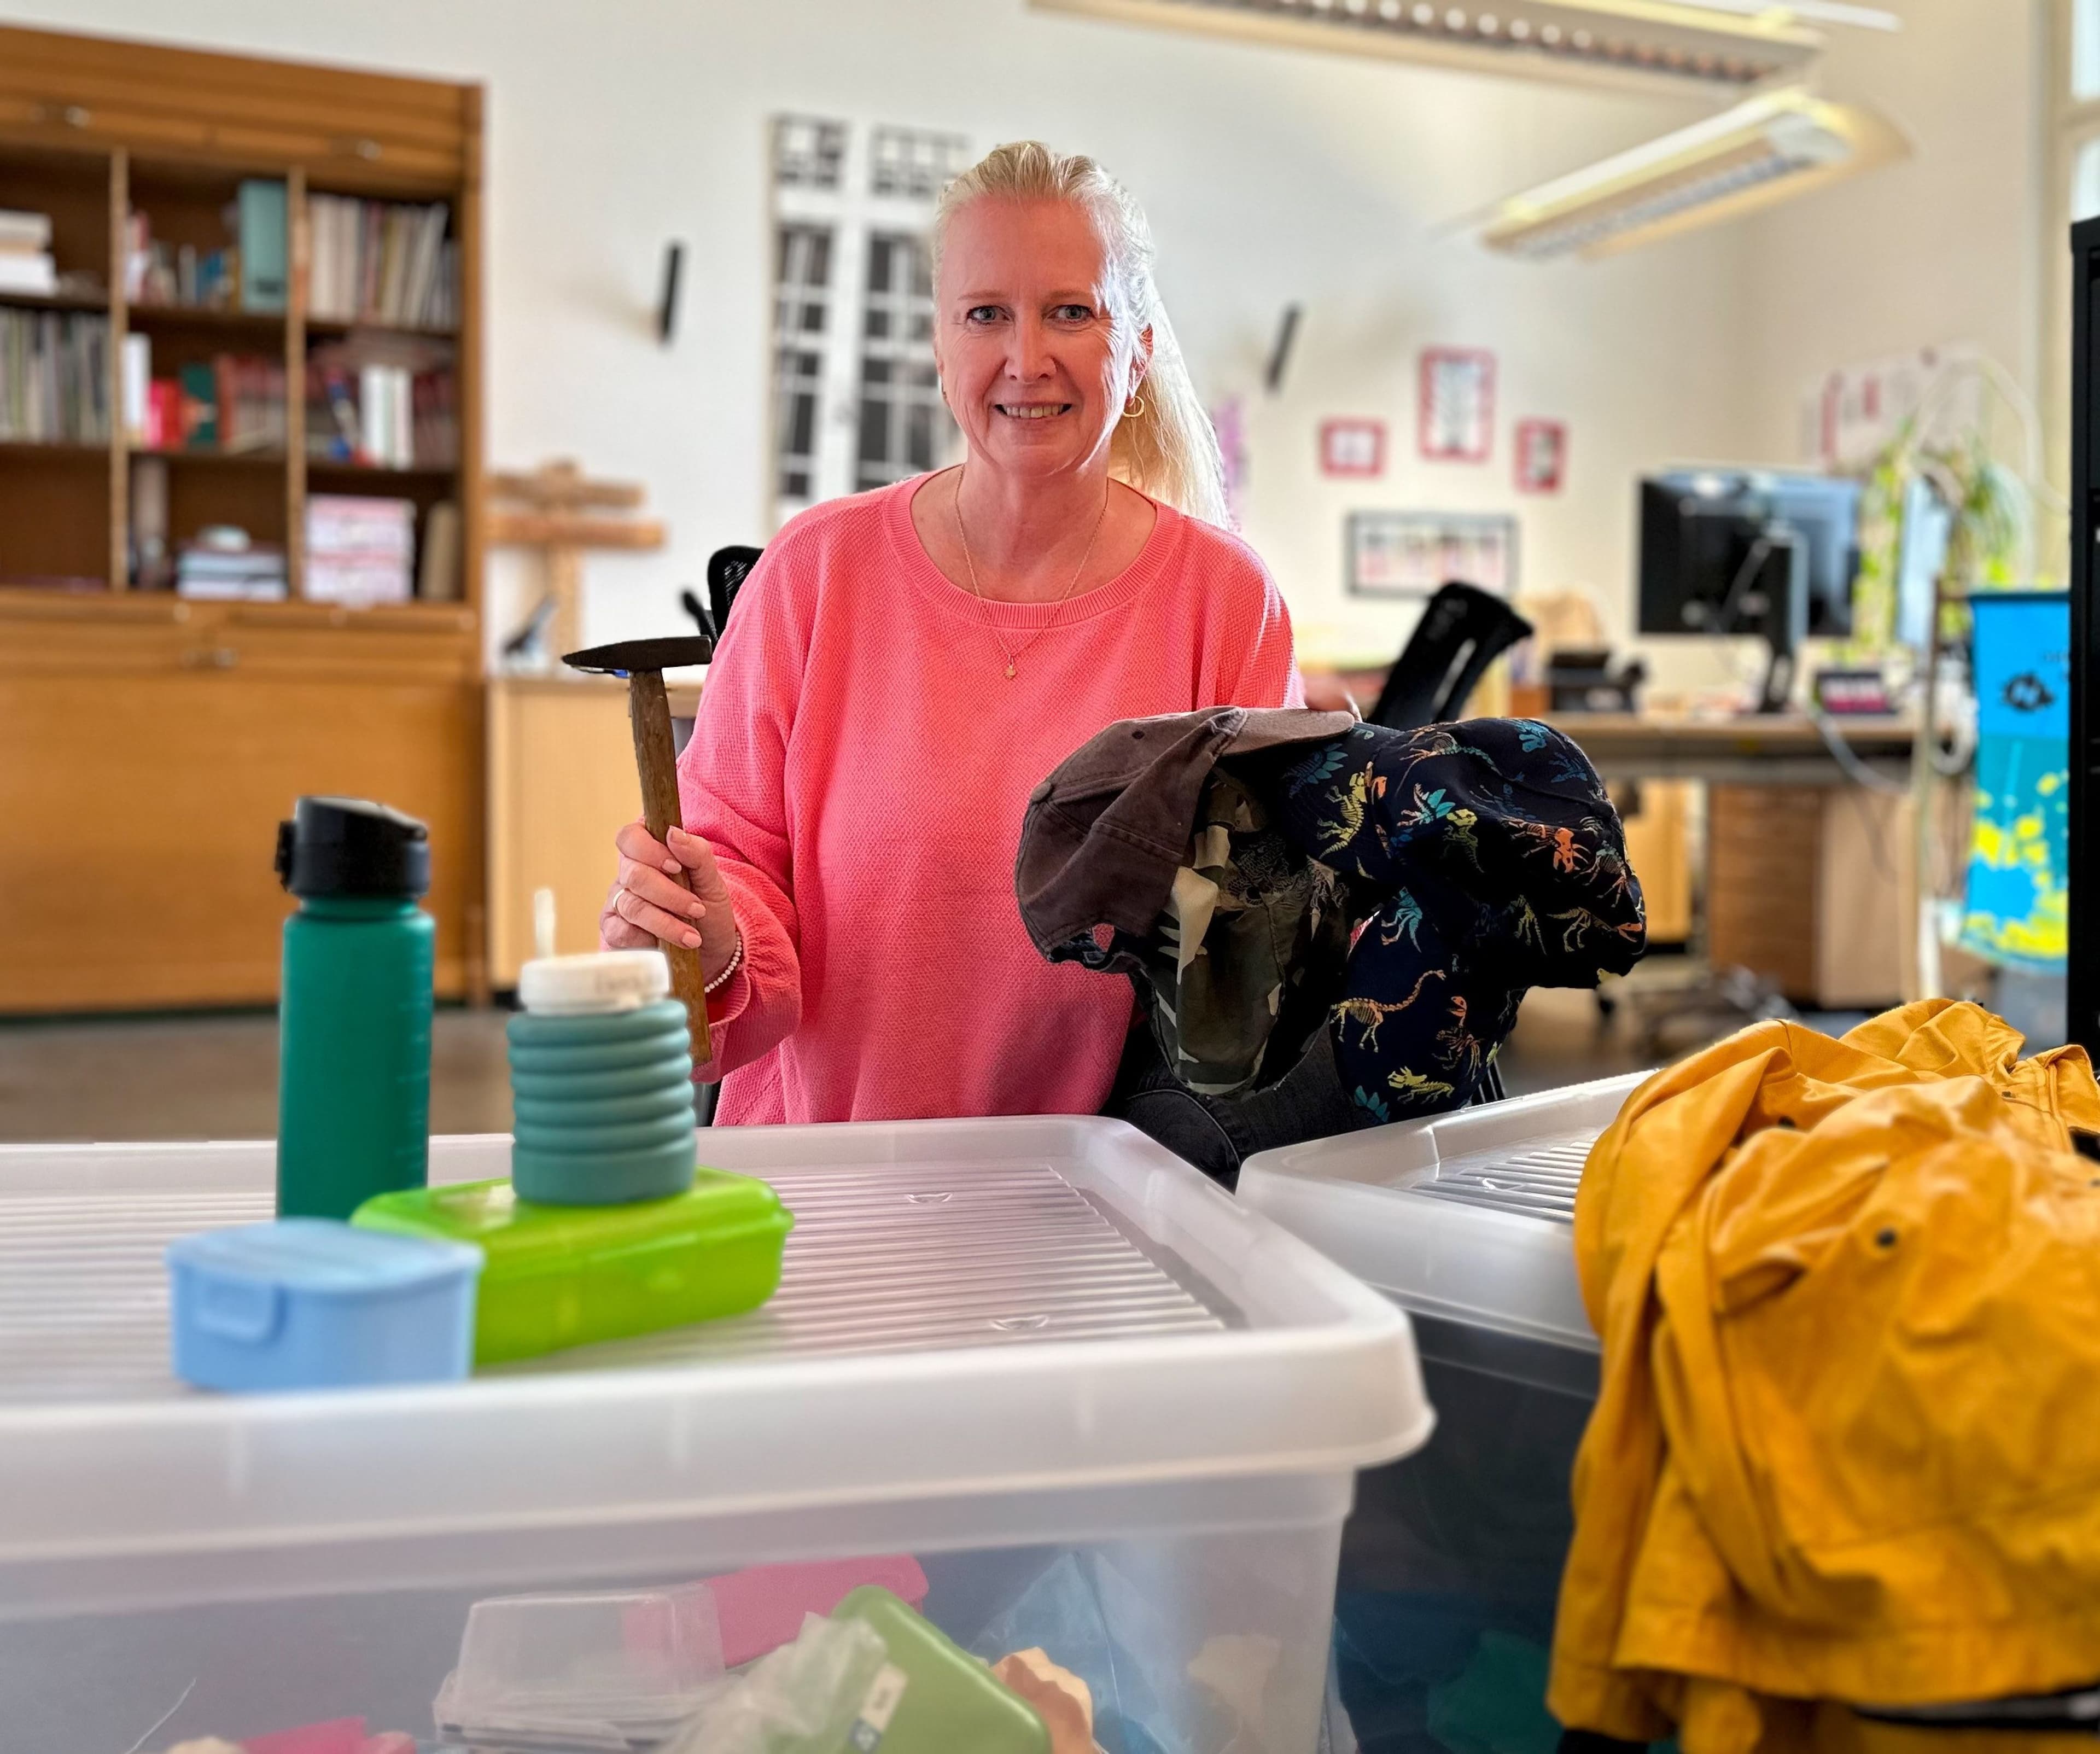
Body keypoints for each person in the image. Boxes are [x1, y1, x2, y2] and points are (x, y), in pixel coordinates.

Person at [599, 141, 1303, 1124]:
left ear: (1135, 350)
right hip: (824, 1177)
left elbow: (1250, 948)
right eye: (986, 315)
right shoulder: (812, 575)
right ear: (940, 350)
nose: (1027, 359)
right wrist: (707, 942)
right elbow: (737, 888)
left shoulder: (1225, 602)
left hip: (1096, 1195)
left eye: (1071, 311)